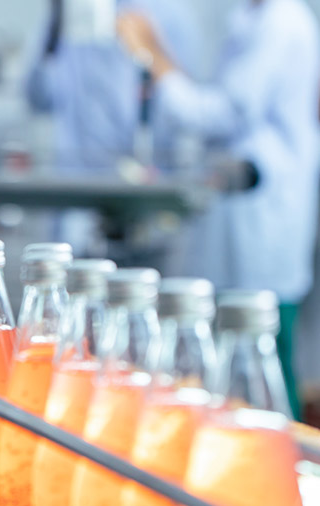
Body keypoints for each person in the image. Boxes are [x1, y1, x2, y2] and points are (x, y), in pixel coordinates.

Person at [117, 0, 320, 418]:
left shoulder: (279, 23)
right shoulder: (252, 19)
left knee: (267, 374)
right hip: (248, 219)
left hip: (261, 219)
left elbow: (225, 114)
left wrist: (154, 54)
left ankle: (289, 475)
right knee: (246, 372)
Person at [25, 0, 197, 252]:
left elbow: (184, 103)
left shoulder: (168, 12)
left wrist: (150, 50)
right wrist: (53, 32)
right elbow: (37, 98)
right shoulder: (71, 12)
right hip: (75, 198)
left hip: (141, 200)